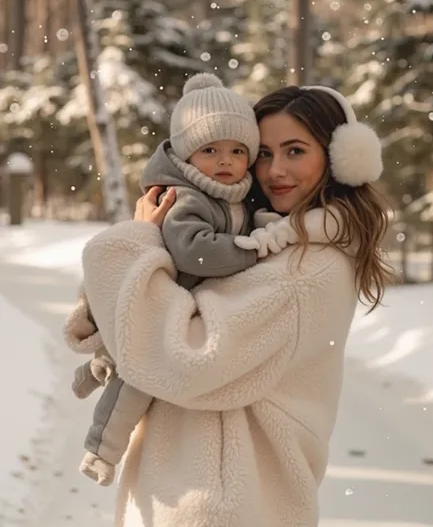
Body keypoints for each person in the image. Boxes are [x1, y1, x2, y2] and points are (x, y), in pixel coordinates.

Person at [66, 84, 391, 527]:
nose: (275, 170)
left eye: (295, 151)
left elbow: (184, 358)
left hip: (222, 504)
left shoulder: (307, 269)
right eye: (263, 153)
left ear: (337, 160)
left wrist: (136, 244)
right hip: (206, 495)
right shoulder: (268, 241)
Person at [67, 72, 265, 486]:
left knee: (120, 354)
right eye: (210, 149)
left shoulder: (232, 195)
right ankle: (101, 450)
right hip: (157, 297)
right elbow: (196, 251)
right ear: (186, 154)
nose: (225, 160)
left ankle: (93, 370)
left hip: (171, 299)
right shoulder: (184, 197)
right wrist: (253, 248)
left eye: (237, 150)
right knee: (137, 379)